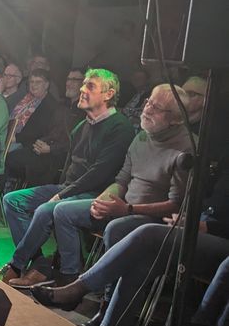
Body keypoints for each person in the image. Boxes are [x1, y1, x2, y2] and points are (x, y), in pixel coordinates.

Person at [31, 153, 229, 326]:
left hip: (218, 237)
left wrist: (206, 226)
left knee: (148, 233)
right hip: (197, 225)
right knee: (139, 263)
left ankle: (78, 289)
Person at [20, 84, 193, 287]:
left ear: (176, 119)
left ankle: (97, 289)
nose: (148, 109)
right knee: (62, 211)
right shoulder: (142, 137)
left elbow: (176, 205)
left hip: (150, 217)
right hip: (122, 205)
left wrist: (127, 209)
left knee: (113, 227)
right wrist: (103, 200)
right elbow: (121, 180)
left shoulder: (187, 150)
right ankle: (69, 277)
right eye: (148, 102)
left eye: (157, 108)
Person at [0, 68, 134, 287]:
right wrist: (61, 191)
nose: (82, 89)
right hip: (72, 188)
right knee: (12, 201)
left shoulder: (120, 127)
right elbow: (70, 169)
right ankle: (40, 266)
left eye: (90, 86)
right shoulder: (82, 127)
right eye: (84, 84)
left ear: (108, 94)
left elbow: (100, 173)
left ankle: (19, 265)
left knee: (47, 209)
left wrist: (62, 195)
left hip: (96, 193)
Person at [6, 67, 84, 186]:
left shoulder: (80, 111)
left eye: (75, 80)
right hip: (43, 147)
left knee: (9, 157)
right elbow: (52, 132)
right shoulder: (63, 105)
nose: (69, 83)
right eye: (68, 79)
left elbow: (74, 141)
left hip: (57, 156)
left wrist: (50, 148)